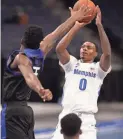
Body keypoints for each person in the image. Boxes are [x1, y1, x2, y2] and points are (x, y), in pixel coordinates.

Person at [1, 5, 91, 139]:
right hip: (26, 111)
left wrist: (40, 89)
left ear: (22, 40)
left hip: (12, 111)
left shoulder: (20, 57)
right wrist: (74, 20)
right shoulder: (41, 52)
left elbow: (29, 76)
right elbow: (57, 33)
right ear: (39, 42)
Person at [52, 6, 111, 139]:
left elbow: (107, 54)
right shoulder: (72, 64)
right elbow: (60, 49)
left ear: (95, 53)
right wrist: (76, 26)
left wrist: (99, 26)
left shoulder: (98, 69)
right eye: (83, 47)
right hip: (67, 115)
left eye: (89, 47)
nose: (84, 49)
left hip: (86, 120)